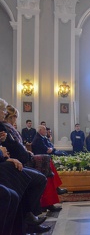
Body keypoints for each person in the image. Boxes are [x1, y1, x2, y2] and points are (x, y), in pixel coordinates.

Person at [3, 104, 67, 212]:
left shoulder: (10, 129)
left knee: (47, 162)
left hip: (23, 157)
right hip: (18, 161)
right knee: (46, 163)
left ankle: (51, 196)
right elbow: (14, 148)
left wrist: (26, 151)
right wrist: (26, 153)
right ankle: (45, 202)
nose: (15, 121)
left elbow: (18, 146)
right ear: (11, 117)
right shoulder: (5, 128)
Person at [0, 99, 50, 234]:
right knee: (32, 181)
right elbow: (11, 149)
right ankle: (28, 217)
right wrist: (4, 154)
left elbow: (13, 148)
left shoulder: (5, 128)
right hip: (6, 165)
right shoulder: (4, 127)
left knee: (38, 178)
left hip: (10, 161)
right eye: (3, 111)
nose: (4, 114)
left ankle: (29, 217)